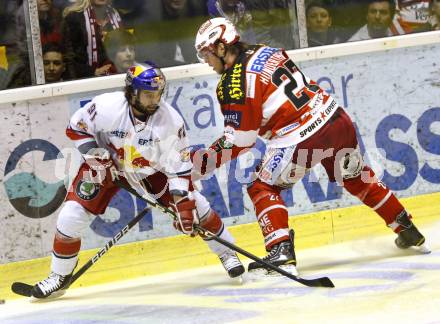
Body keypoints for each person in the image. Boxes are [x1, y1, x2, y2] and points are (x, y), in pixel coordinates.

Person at [192, 17, 428, 275]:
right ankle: (406, 228)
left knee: (262, 186)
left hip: (301, 136)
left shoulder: (232, 83)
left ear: (222, 47)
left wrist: (202, 164)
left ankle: (281, 251)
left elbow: (242, 140)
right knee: (355, 177)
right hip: (335, 119)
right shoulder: (263, 50)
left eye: (207, 53)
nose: (206, 60)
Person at [31, 62, 244, 299]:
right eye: (148, 94)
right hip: (106, 166)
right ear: (132, 92)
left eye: (158, 94)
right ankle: (59, 276)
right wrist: (95, 155)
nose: (155, 100)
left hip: (151, 171)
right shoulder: (107, 106)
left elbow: (179, 169)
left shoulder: (171, 122)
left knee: (198, 209)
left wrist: (183, 205)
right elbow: (76, 128)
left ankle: (227, 253)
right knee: (70, 216)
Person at [61, 0, 123, 79]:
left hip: (117, 76)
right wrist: (93, 72)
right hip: (85, 80)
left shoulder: (118, 16)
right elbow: (68, 58)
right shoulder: (74, 17)